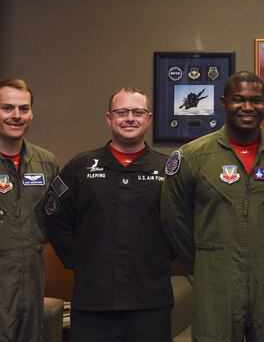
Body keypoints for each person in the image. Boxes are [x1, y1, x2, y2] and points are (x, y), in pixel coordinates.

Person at [161, 70, 264, 341]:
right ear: (223, 103)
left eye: (256, 100)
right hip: (215, 278)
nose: (247, 107)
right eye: (238, 99)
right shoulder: (192, 157)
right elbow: (175, 220)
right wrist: (205, 262)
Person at [45, 88, 173, 341]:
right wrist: (82, 258)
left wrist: (158, 255)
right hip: (93, 302)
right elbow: (54, 217)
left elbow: (183, 224)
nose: (129, 118)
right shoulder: (81, 167)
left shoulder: (167, 169)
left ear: (148, 119)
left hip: (150, 303)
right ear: (108, 118)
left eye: (138, 112)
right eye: (121, 112)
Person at [0, 79, 59, 342]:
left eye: (24, 108)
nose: (16, 116)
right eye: (7, 108)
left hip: (31, 284)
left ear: (31, 113)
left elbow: (55, 220)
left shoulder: (46, 162)